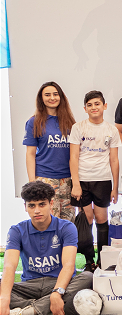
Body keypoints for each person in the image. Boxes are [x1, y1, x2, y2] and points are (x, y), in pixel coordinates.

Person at [0, 181, 93, 315]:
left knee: (88, 277)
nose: (37, 210)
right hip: (29, 286)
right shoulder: (16, 230)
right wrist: (4, 300)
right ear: (25, 207)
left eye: (42, 204)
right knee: (3, 289)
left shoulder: (67, 227)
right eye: (32, 206)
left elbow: (68, 266)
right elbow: (9, 267)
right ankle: (48, 307)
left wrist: (57, 292)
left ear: (51, 204)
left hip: (58, 283)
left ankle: (29, 312)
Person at [68, 90, 120, 271]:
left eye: (97, 104)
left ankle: (102, 261)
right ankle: (89, 261)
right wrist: (75, 184)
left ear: (104, 106)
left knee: (101, 218)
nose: (93, 107)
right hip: (82, 180)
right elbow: (73, 157)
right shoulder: (78, 127)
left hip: (103, 179)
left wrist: (115, 187)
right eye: (89, 105)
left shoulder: (111, 130)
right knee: (87, 219)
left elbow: (114, 160)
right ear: (85, 109)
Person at [24, 81, 76, 222]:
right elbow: (30, 154)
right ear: (41, 98)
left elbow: (75, 154)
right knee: (48, 223)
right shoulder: (34, 122)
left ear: (61, 97)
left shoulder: (70, 122)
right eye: (47, 95)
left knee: (68, 224)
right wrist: (32, 183)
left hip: (67, 180)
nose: (52, 98)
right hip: (45, 179)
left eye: (55, 94)